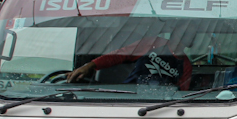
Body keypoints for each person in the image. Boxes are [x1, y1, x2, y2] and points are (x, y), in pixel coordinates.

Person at [66, 25, 195, 89]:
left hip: (160, 103)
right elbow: (119, 55)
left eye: (191, 33)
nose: (186, 35)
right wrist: (90, 66)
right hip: (129, 94)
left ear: (192, 41)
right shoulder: (153, 43)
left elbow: (181, 92)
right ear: (174, 31)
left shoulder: (186, 65)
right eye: (184, 31)